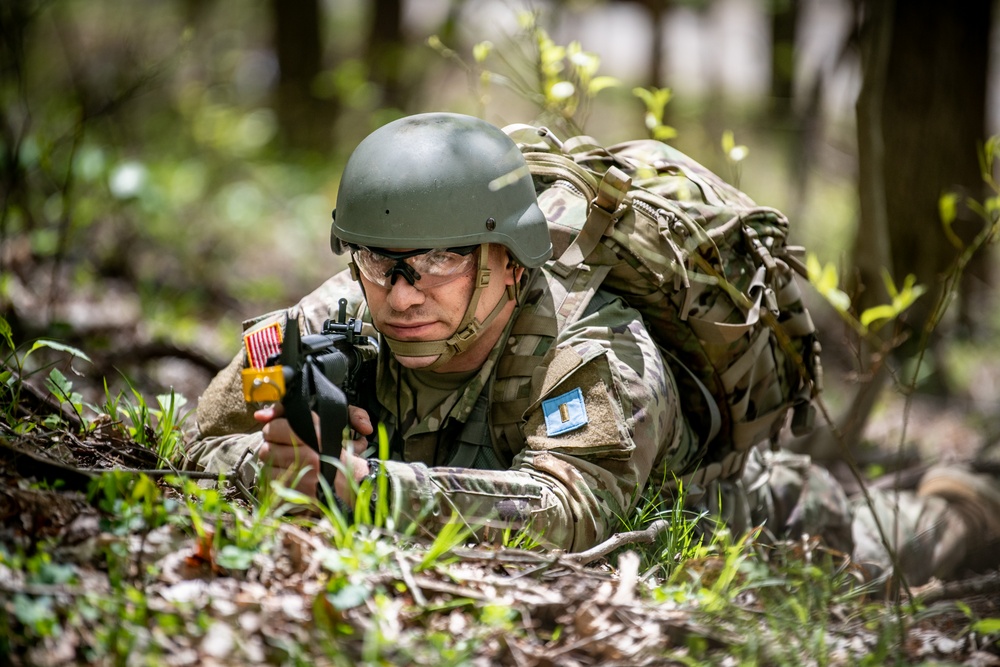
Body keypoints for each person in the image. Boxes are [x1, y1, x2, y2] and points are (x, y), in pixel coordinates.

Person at [186, 112, 1000, 588]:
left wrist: (362, 487)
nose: (401, 291)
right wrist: (277, 465)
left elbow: (567, 511)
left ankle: (968, 490)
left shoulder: (601, 350)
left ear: (507, 260)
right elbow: (197, 439)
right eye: (377, 259)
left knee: (913, 532)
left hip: (737, 511)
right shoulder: (332, 318)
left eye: (440, 260)